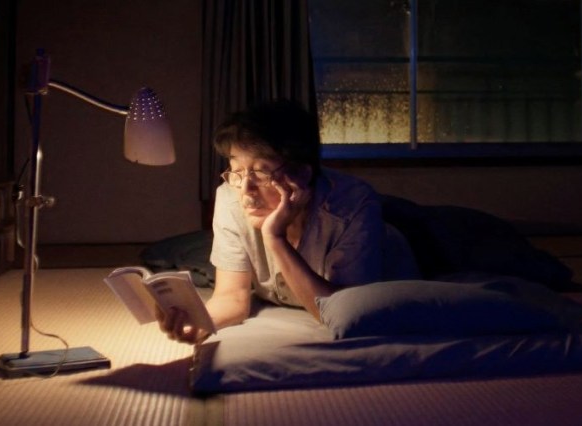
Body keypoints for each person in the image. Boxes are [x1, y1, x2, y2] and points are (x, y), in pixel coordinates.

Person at [159, 100, 415, 344]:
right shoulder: (231, 195)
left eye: (261, 173)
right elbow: (232, 297)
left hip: (401, 242)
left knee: (426, 227)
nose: (246, 189)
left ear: (301, 174)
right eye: (236, 171)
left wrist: (275, 238)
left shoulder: (352, 206)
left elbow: (343, 314)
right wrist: (201, 322)